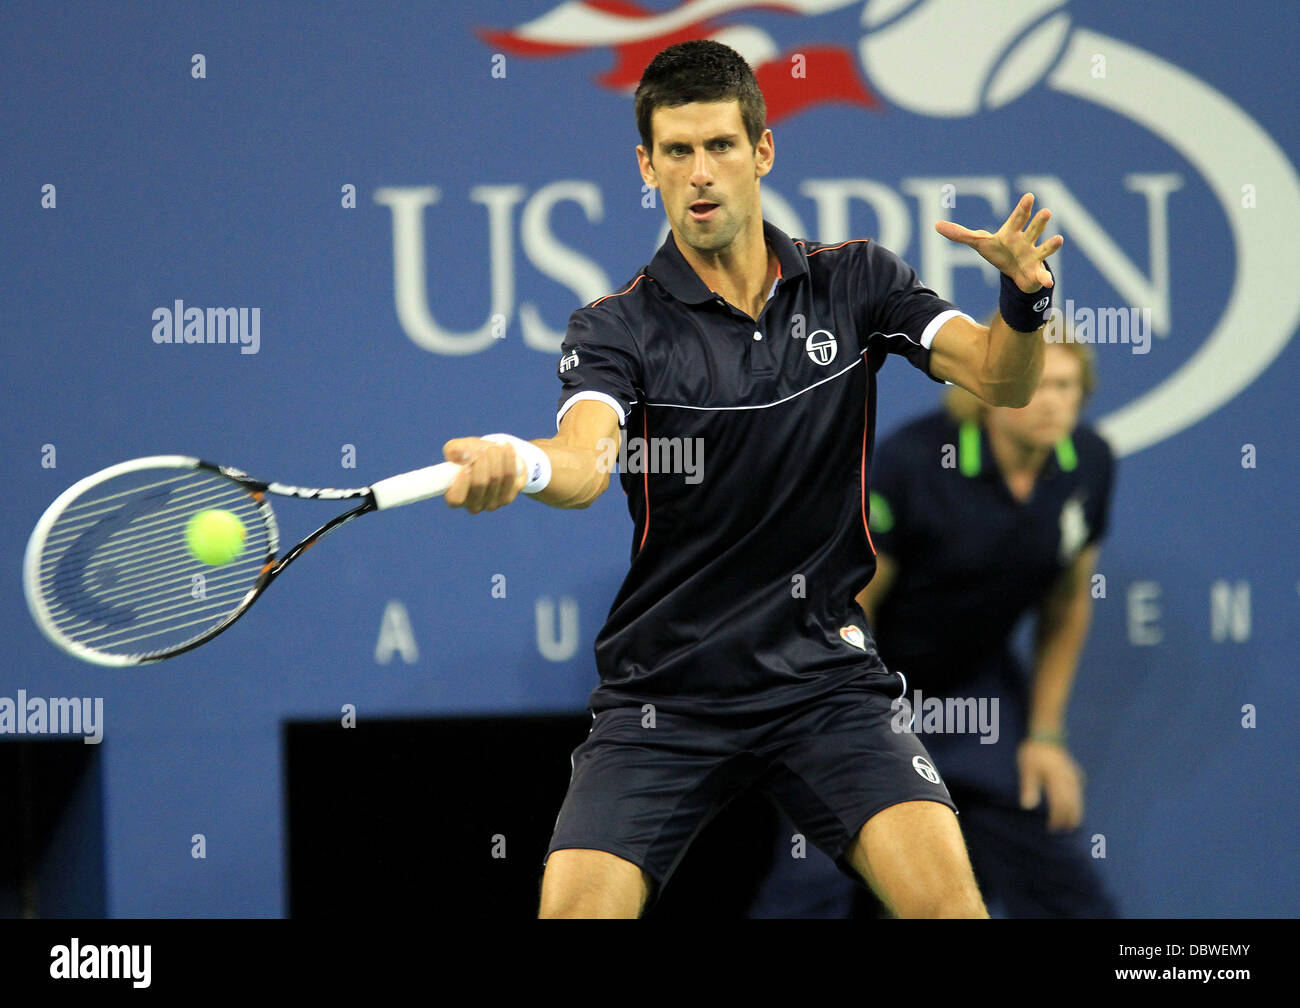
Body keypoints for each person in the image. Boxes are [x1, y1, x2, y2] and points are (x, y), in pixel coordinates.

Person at [439, 39, 1063, 918]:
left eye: (721, 147)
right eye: (678, 152)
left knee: (952, 911)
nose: (701, 174)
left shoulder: (857, 283)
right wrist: (526, 462)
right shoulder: (616, 328)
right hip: (667, 693)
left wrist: (1025, 301)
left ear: (762, 151)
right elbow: (583, 464)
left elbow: (1003, 378)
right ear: (647, 165)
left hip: (824, 682)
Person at [749, 337, 1119, 918]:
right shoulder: (912, 462)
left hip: (978, 687)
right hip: (857, 685)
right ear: (992, 392)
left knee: (1059, 879)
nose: (1051, 402)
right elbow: (851, 605)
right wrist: (860, 728)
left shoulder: (1090, 465)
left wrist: (1045, 737)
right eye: (1035, 384)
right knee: (811, 884)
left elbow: (1067, 604)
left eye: (1066, 386)